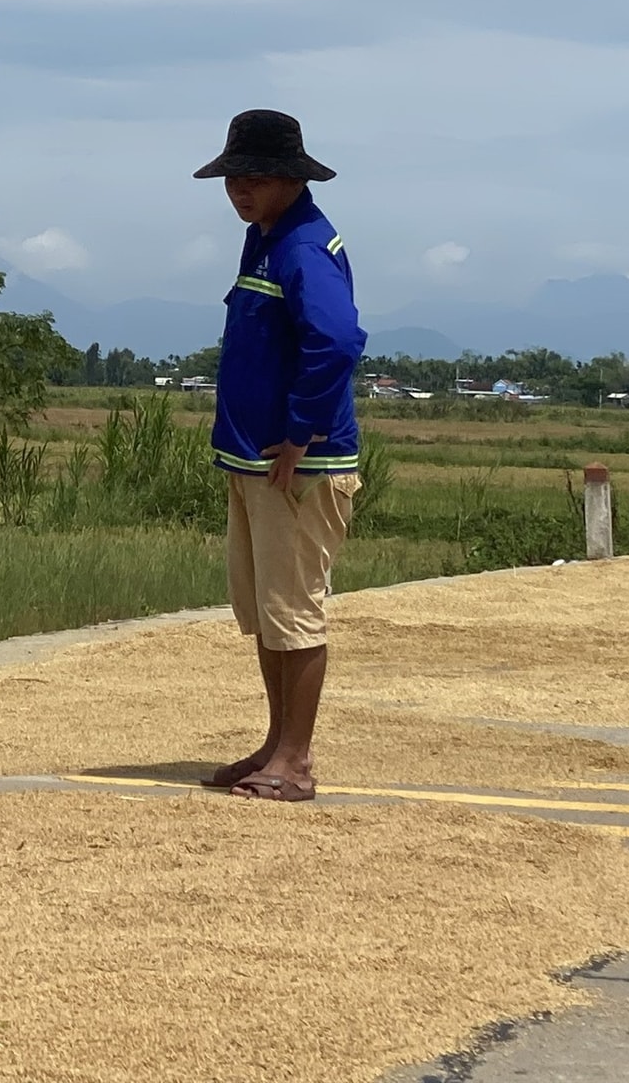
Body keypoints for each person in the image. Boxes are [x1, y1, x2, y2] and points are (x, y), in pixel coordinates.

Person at [195, 109, 366, 803]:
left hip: (296, 466)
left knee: (294, 611)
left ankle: (294, 760)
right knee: (268, 610)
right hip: (254, 461)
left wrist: (299, 435)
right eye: (236, 176)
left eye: (258, 177)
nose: (242, 189)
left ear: (290, 180)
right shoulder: (264, 240)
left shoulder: (301, 246)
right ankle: (275, 744)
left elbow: (336, 341)